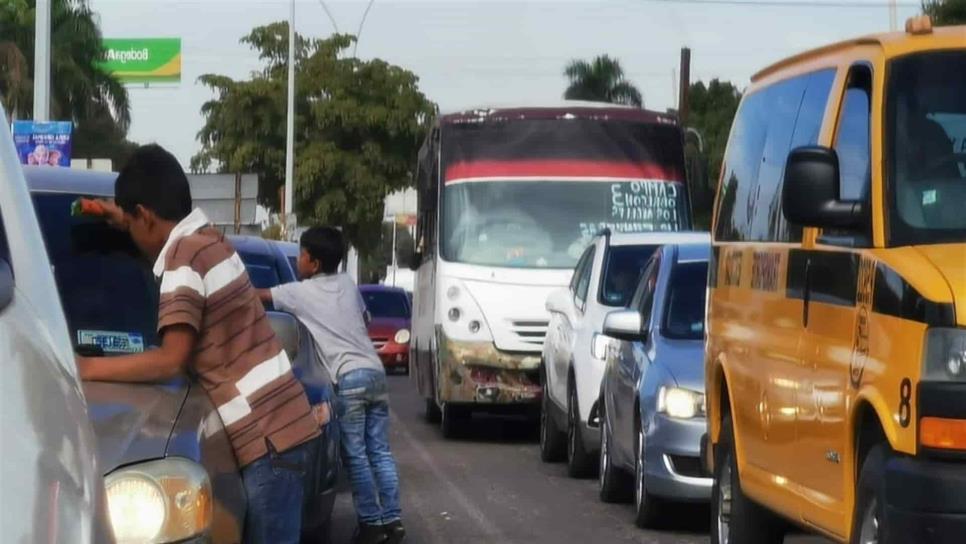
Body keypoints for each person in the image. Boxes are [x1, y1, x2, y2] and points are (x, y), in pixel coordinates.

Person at [75, 144, 322, 543]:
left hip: (267, 440)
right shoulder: (207, 241)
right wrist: (122, 217)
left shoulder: (182, 262)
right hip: (282, 431)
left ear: (146, 215)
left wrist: (85, 367)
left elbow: (171, 360)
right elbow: (150, 224)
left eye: (134, 220)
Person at [258, 227, 405, 544]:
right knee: (379, 451)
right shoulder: (347, 284)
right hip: (374, 373)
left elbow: (259, 297)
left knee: (355, 455)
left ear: (312, 261)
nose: (299, 259)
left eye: (302, 254)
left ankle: (371, 525)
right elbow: (363, 321)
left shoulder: (300, 292)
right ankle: (392, 520)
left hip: (349, 378)